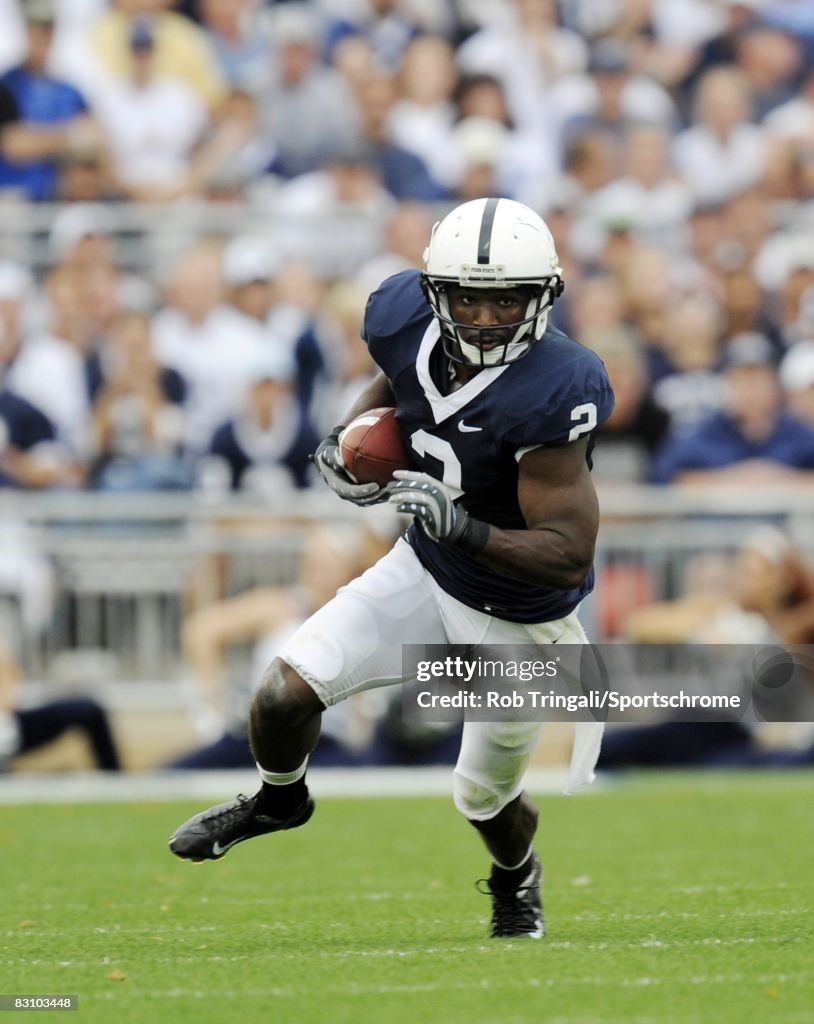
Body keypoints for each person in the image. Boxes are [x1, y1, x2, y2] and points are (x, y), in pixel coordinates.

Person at [169, 198, 615, 941]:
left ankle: (515, 878)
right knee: (282, 693)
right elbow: (398, 384)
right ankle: (281, 798)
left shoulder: (557, 385)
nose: (482, 316)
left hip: (520, 615)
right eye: (466, 296)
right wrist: (350, 438)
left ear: (543, 298)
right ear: (435, 292)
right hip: (425, 566)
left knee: (483, 797)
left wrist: (462, 524)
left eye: (505, 299)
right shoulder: (402, 316)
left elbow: (566, 552)